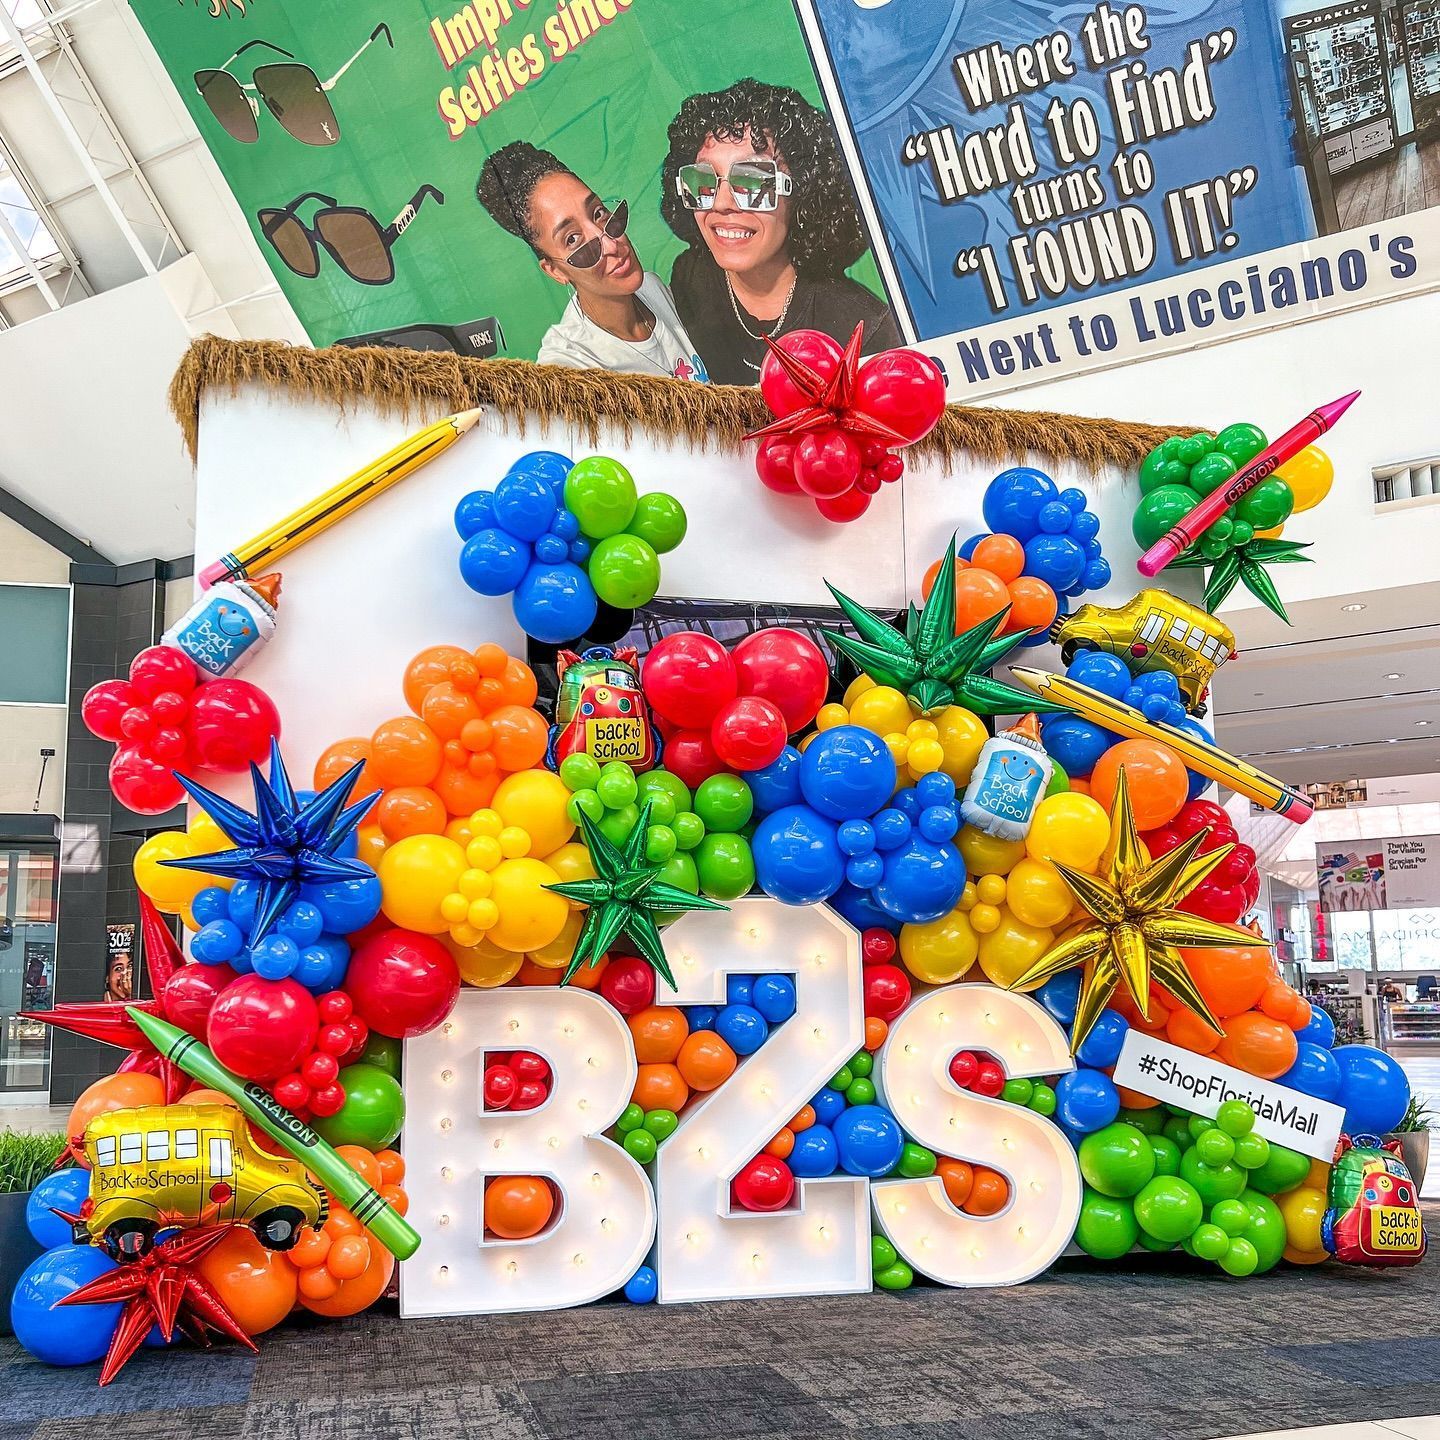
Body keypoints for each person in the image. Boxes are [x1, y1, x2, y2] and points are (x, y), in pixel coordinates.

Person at [660, 77, 901, 384]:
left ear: (802, 191)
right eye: (702, 180)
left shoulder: (862, 329)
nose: (721, 204)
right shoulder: (690, 278)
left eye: (753, 181)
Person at [477, 141, 707, 381]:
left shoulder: (652, 288)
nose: (610, 244)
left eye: (598, 213)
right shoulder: (571, 371)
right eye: (573, 239)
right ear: (555, 270)